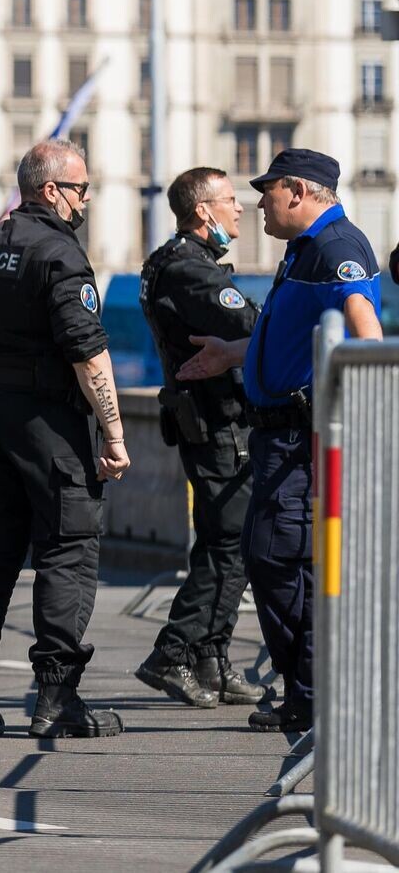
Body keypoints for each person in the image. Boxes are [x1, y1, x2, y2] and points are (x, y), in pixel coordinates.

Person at [178, 148, 383, 732]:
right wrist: (230, 354)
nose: (258, 203)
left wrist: (344, 418)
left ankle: (315, 689)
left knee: (281, 558)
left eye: (267, 192)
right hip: (282, 438)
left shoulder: (335, 248)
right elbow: (289, 337)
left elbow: (365, 335)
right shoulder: (304, 249)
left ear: (297, 190)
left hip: (303, 440)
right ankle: (308, 688)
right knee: (275, 559)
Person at [0, 138, 130, 739]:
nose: (86, 198)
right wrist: (114, 432)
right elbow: (88, 352)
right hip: (49, 422)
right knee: (67, 552)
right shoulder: (61, 256)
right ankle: (56, 702)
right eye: (81, 188)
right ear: (51, 190)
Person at [135, 168, 268, 708]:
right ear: (203, 210)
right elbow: (250, 327)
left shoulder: (175, 263)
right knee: (225, 545)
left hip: (214, 419)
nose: (240, 209)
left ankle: (213, 658)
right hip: (218, 421)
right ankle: (172, 652)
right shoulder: (190, 271)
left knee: (228, 543)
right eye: (231, 200)